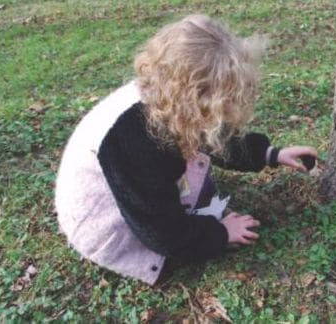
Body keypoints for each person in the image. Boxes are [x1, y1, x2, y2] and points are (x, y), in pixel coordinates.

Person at [55, 15, 317, 285]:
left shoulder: (168, 96)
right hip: (105, 224)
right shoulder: (130, 138)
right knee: (166, 222)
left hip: (136, 192)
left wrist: (270, 154)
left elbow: (213, 137)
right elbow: (161, 233)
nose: (223, 115)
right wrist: (220, 234)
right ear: (194, 98)